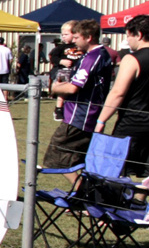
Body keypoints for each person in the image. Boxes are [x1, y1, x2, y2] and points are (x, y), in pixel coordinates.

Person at [95, 14, 149, 177]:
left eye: (128, 36)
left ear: (139, 34)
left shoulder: (131, 59)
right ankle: (141, 201)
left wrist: (101, 120)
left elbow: (118, 93)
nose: (128, 41)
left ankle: (120, 201)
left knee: (118, 169)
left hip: (131, 124)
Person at [42, 20, 113, 183]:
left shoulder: (94, 57)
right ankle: (87, 198)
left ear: (88, 37)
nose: (73, 40)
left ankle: (84, 197)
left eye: (77, 37)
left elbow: (74, 88)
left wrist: (54, 88)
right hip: (81, 115)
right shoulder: (94, 55)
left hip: (79, 117)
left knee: (58, 160)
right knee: (76, 162)